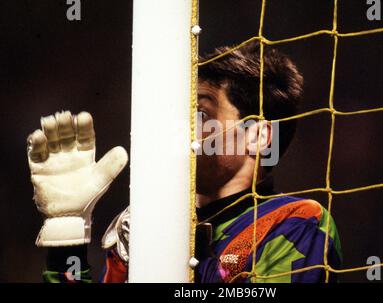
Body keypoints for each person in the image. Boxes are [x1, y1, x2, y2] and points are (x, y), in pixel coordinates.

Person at [26, 41, 341, 283]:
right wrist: (67, 235)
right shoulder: (145, 227)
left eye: (201, 113)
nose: (181, 126)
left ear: (257, 137)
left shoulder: (296, 222)